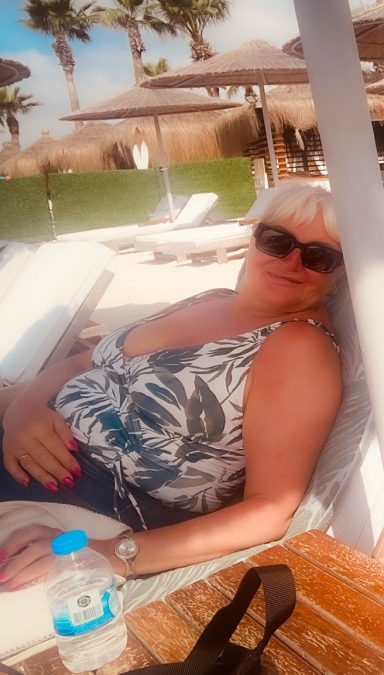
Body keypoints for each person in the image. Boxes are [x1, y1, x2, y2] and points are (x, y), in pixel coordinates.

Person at [0, 185, 344, 588]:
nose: (291, 261)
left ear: (339, 274)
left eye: (319, 256)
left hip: (82, 503)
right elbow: (82, 362)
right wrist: (24, 408)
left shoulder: (298, 348)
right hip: (25, 445)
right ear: (254, 238)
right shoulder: (212, 298)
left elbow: (270, 509)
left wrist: (108, 554)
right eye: (277, 240)